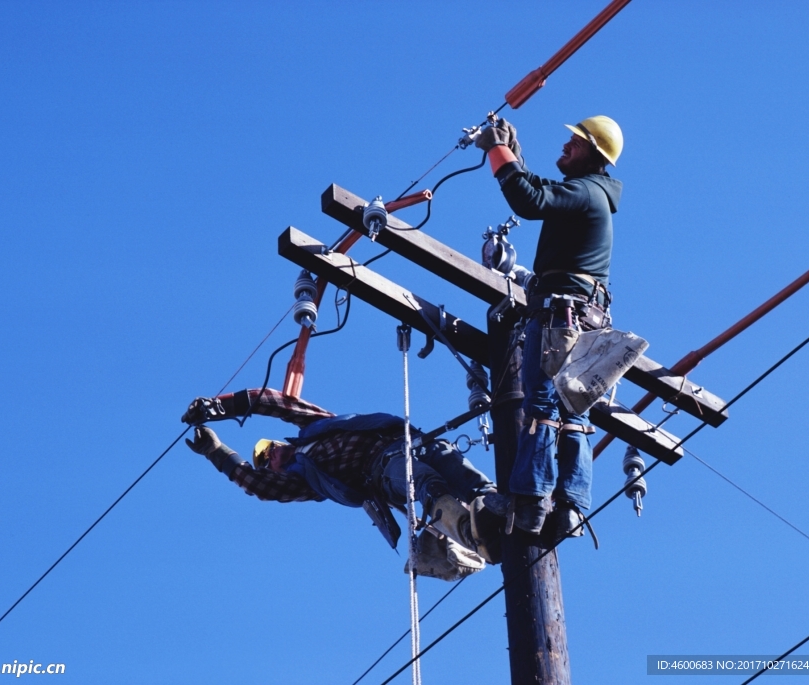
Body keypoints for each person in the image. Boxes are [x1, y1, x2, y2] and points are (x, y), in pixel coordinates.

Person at [474, 115, 624, 540]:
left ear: (594, 154)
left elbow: (528, 203)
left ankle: (531, 499)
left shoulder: (586, 193)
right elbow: (541, 192)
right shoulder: (589, 193)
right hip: (584, 317)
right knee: (571, 409)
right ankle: (571, 506)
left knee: (542, 406)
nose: (564, 147)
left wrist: (495, 151)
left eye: (573, 143)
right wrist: (514, 157)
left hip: (563, 315)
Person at [181, 387, 504, 565]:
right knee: (421, 481)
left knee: (458, 468)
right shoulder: (306, 480)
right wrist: (216, 451)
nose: (270, 456)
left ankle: (497, 509)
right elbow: (260, 486)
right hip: (380, 468)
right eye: (265, 461)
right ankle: (473, 532)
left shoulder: (314, 429)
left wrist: (219, 406)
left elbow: (275, 401)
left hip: (412, 441)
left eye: (269, 448)